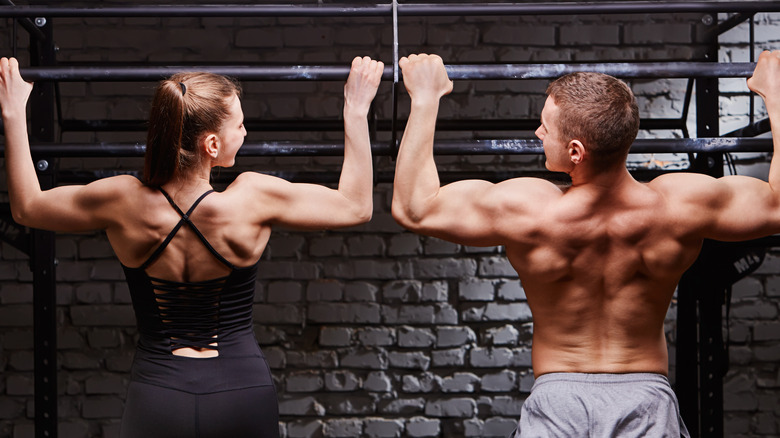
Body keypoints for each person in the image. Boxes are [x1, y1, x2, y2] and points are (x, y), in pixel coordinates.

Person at [391, 51, 780, 438]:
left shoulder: (530, 209)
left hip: (559, 405)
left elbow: (414, 209)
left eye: (545, 126)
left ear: (575, 151)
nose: (538, 133)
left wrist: (426, 98)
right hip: (645, 403)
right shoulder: (679, 207)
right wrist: (775, 93)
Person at [0, 55, 383, 437]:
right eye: (240, 125)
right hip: (241, 391)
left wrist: (14, 112)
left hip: (158, 395)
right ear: (211, 144)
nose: (246, 133)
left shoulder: (122, 201)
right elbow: (357, 206)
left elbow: (27, 207)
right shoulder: (252, 198)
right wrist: (356, 107)